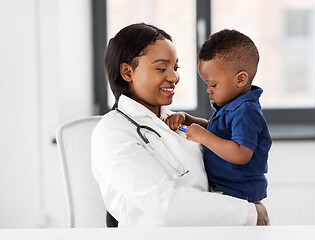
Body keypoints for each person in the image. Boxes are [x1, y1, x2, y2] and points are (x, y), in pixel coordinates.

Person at [91, 23, 268, 227]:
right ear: (127, 72)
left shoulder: (176, 121)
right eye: (161, 68)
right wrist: (248, 213)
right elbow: (165, 205)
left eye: (175, 68)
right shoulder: (113, 132)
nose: (174, 77)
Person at [165, 29, 271, 204]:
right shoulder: (232, 106)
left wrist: (203, 137)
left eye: (213, 84)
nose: (208, 89)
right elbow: (219, 132)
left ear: (240, 79)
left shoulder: (246, 111)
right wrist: (187, 119)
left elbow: (241, 153)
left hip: (239, 195)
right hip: (225, 191)